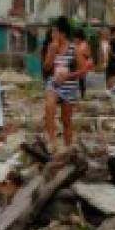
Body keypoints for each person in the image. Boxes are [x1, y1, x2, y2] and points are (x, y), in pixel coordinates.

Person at [43, 17, 86, 150]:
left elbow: (83, 70)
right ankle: (52, 142)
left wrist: (68, 75)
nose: (52, 35)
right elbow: (46, 68)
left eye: (55, 32)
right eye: (52, 32)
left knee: (66, 120)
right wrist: (51, 52)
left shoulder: (74, 49)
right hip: (54, 83)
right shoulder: (51, 47)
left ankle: (68, 148)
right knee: (49, 107)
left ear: (63, 33)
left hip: (69, 86)